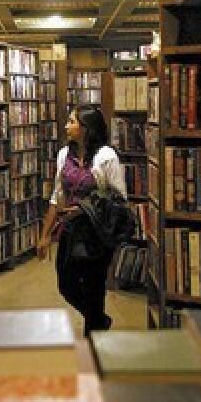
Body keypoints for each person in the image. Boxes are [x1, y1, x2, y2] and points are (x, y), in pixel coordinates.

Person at [37, 106, 127, 337]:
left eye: (72, 122)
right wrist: (45, 235)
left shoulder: (106, 157)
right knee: (66, 284)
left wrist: (86, 210)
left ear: (86, 128)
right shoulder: (63, 155)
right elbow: (57, 196)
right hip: (70, 231)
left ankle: (93, 341)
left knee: (94, 288)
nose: (66, 126)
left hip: (97, 233)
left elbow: (119, 199)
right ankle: (99, 320)